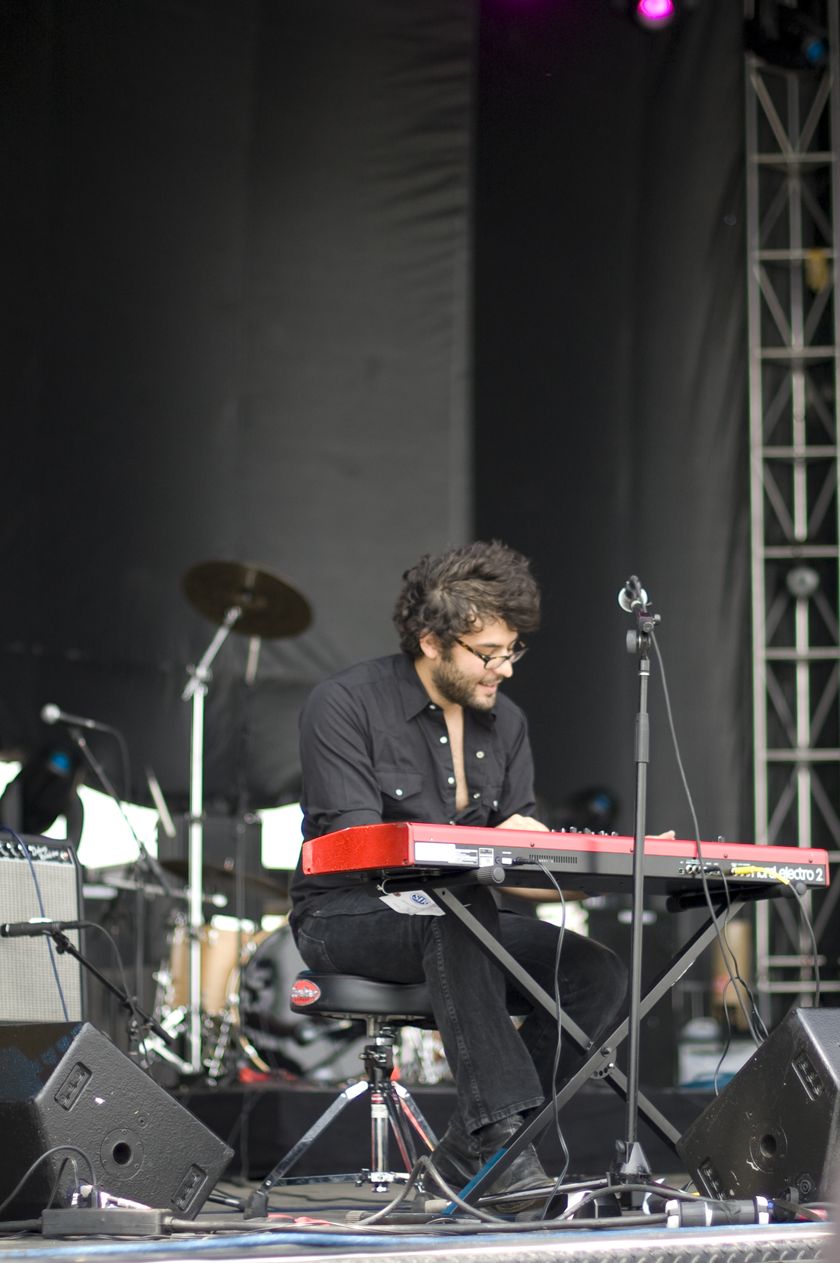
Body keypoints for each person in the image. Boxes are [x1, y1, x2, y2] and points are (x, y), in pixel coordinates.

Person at [288, 540, 627, 1207]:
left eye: (513, 650)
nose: (505, 667)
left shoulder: (508, 723)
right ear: (432, 641)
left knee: (596, 973)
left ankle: (478, 1155)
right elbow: (363, 850)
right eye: (489, 653)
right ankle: (500, 1144)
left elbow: (515, 872)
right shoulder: (344, 703)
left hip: (463, 919)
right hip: (344, 918)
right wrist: (489, 844)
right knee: (458, 908)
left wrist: (593, 864)